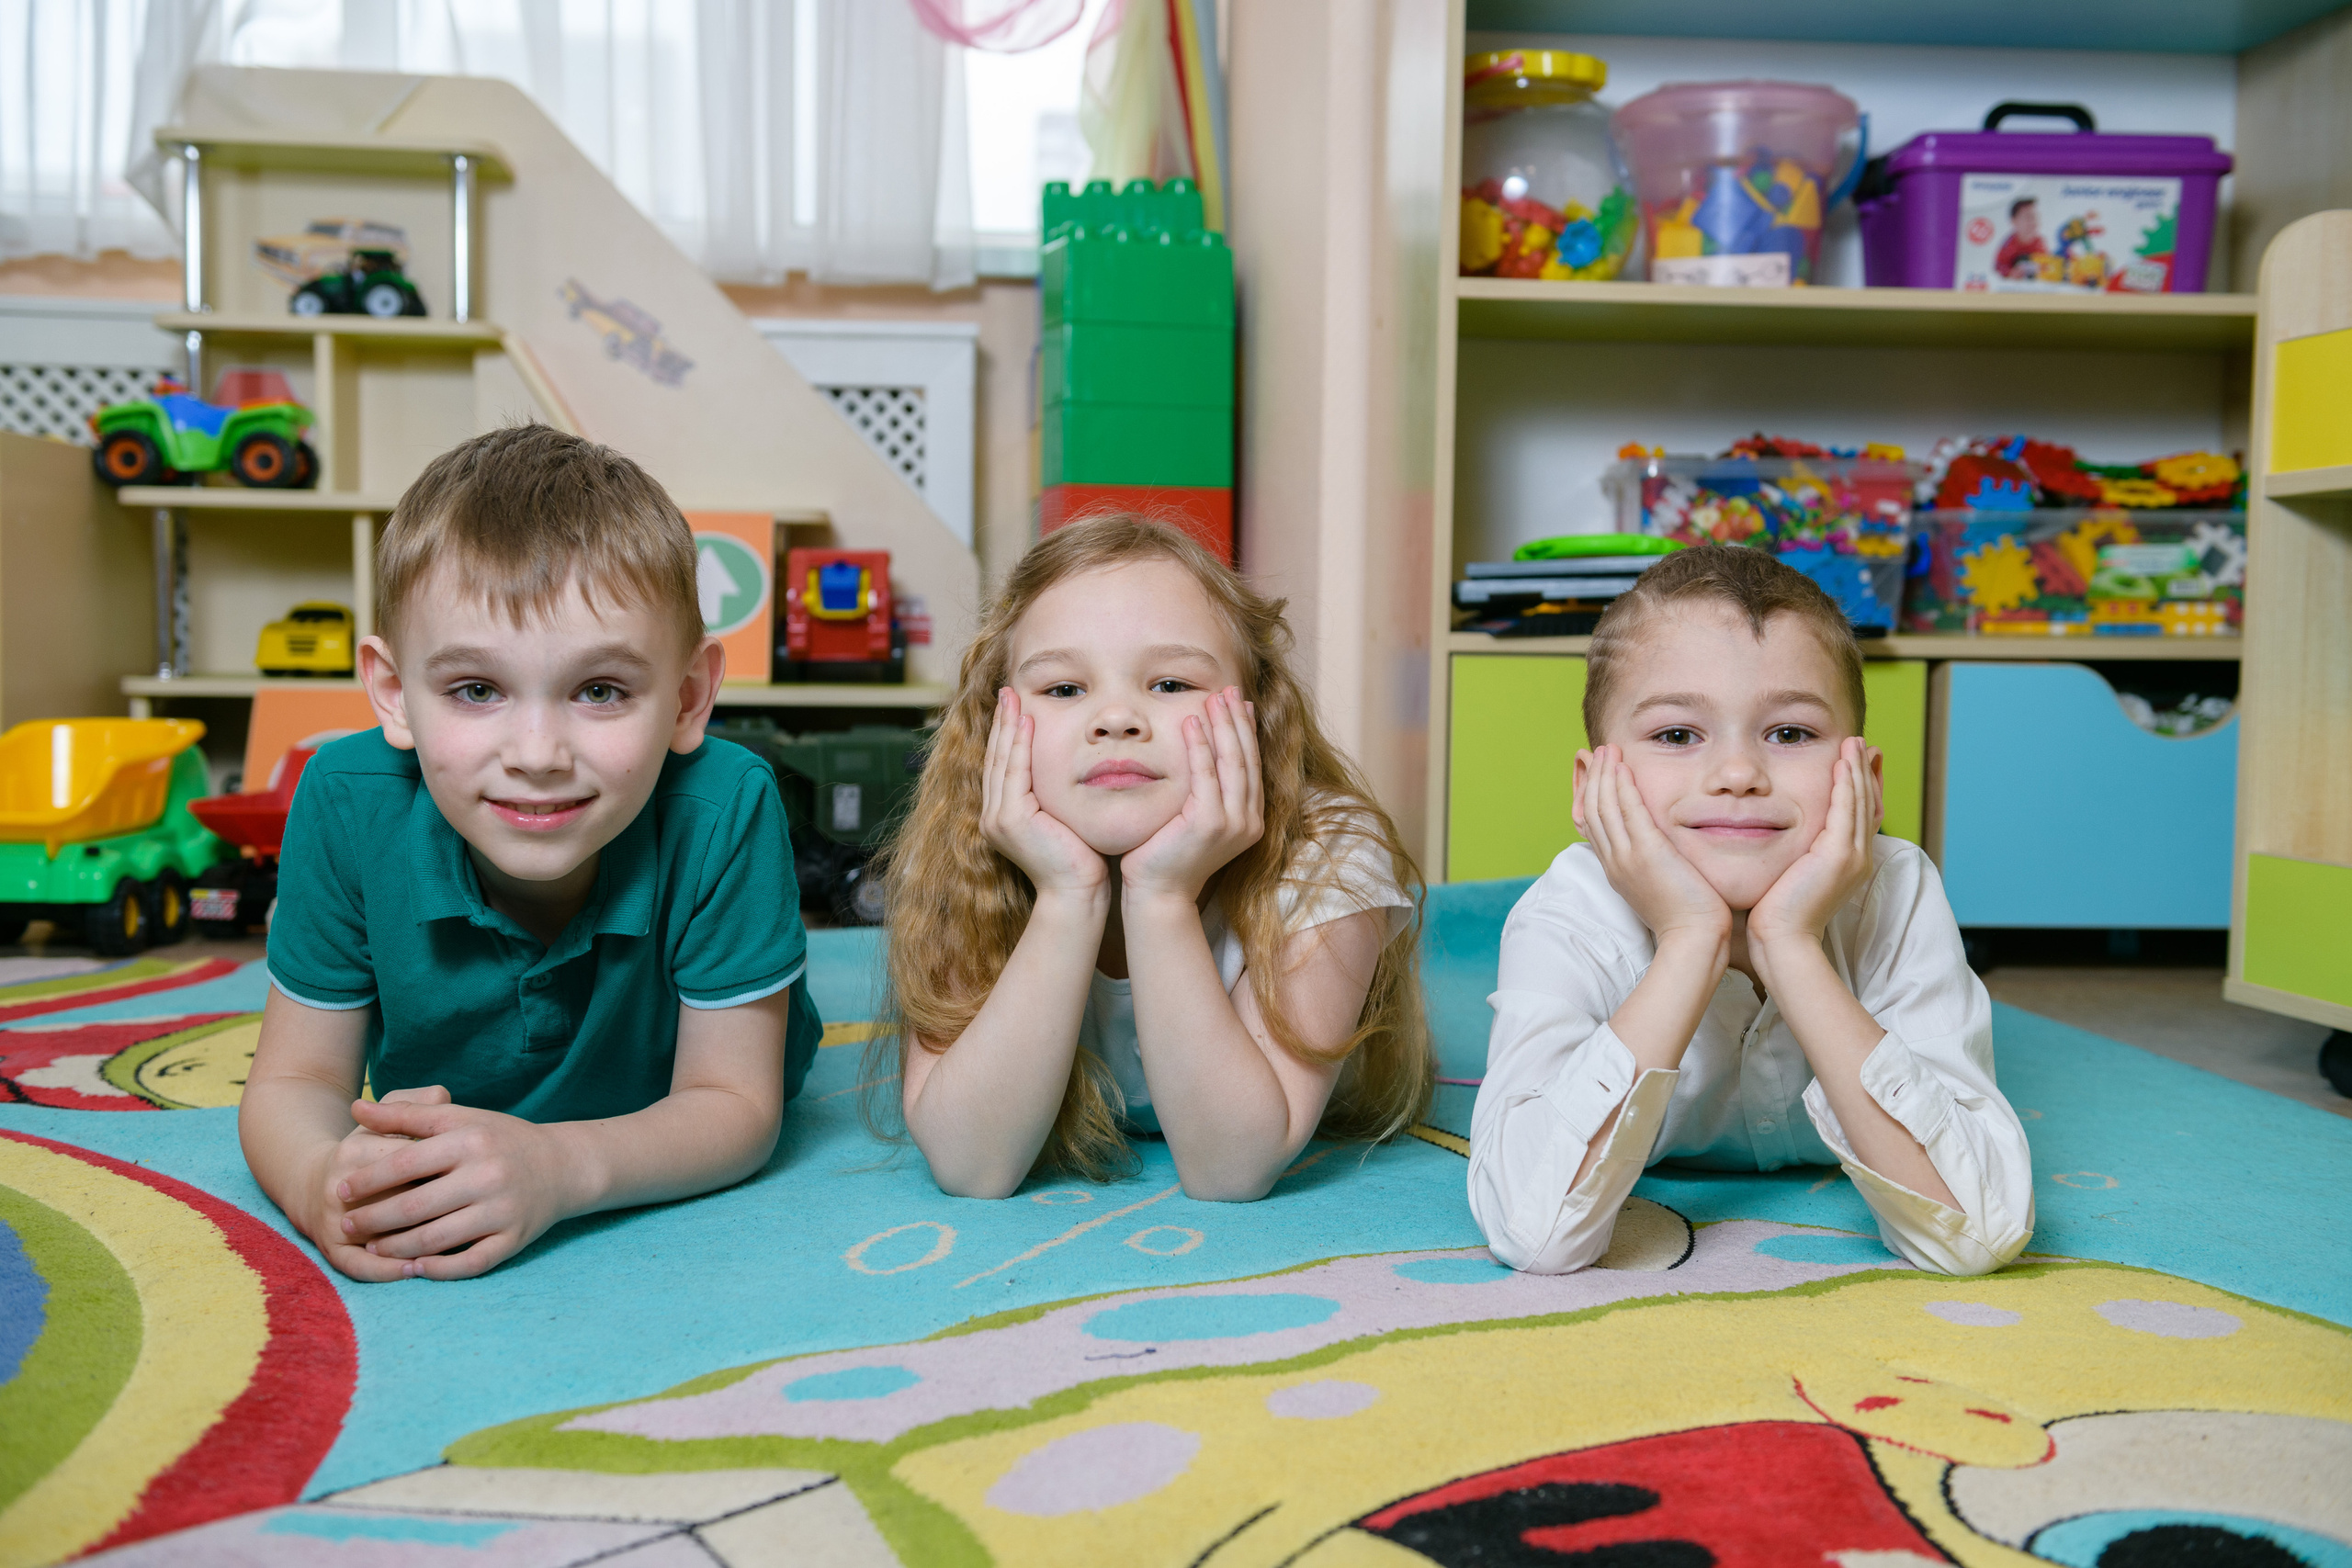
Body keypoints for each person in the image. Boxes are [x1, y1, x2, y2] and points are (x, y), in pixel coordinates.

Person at [240, 425, 821, 1281]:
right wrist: (317, 1179)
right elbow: (294, 1081)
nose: (539, 754)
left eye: (600, 690)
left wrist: (558, 1168)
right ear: (393, 694)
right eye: (476, 689)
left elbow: (735, 1105)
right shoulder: (346, 796)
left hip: (681, 1102)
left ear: (688, 696)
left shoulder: (726, 803)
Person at [1468, 545, 2032, 1276]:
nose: (1737, 774)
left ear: (1865, 779)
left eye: (1789, 733)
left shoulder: (1896, 892)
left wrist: (1792, 944)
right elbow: (1534, 1230)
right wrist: (1688, 940)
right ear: (1590, 787)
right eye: (1677, 735)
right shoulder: (1567, 914)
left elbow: (1979, 1229)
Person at [876, 514, 1431, 1201]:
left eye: (1170, 684)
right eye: (1063, 689)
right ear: (997, 725)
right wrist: (1068, 895)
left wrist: (1161, 896)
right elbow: (971, 1166)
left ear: (1258, 713)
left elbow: (1231, 1168)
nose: (1116, 718)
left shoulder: (1328, 850)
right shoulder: (964, 847)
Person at [1996, 197, 2047, 280]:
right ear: (2014, 221)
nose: (2032, 221)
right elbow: (1999, 265)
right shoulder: (2009, 244)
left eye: (2035, 217)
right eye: (2027, 217)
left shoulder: (2039, 242)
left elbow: (2046, 263)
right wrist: (2010, 272)